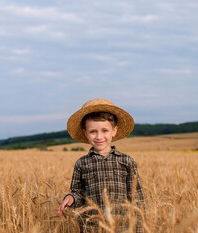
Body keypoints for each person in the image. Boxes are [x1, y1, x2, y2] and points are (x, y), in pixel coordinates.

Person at [57, 99, 146, 232]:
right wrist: (71, 198)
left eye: (105, 130)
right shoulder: (81, 163)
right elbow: (78, 193)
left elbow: (137, 198)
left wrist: (139, 228)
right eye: (93, 131)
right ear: (85, 133)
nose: (99, 136)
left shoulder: (127, 161)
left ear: (114, 131)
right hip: (92, 227)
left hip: (122, 227)